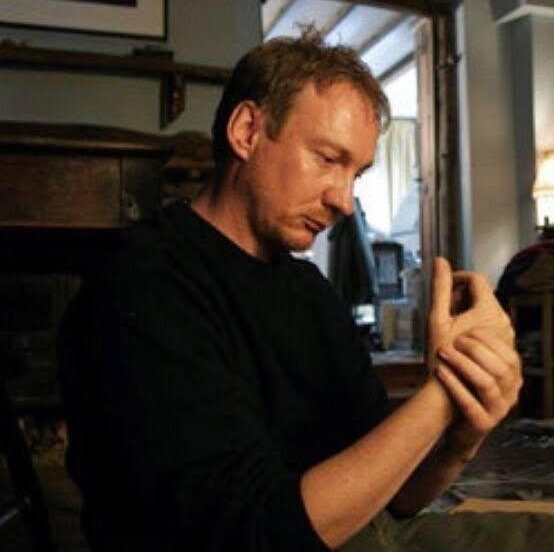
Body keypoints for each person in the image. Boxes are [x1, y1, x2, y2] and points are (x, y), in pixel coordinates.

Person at [59, 33, 553, 552]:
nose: (345, 201)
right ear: (247, 131)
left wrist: (461, 433)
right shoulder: (143, 283)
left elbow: (396, 497)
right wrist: (445, 390)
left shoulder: (309, 291)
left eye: (356, 173)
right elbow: (259, 534)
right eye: (328, 159)